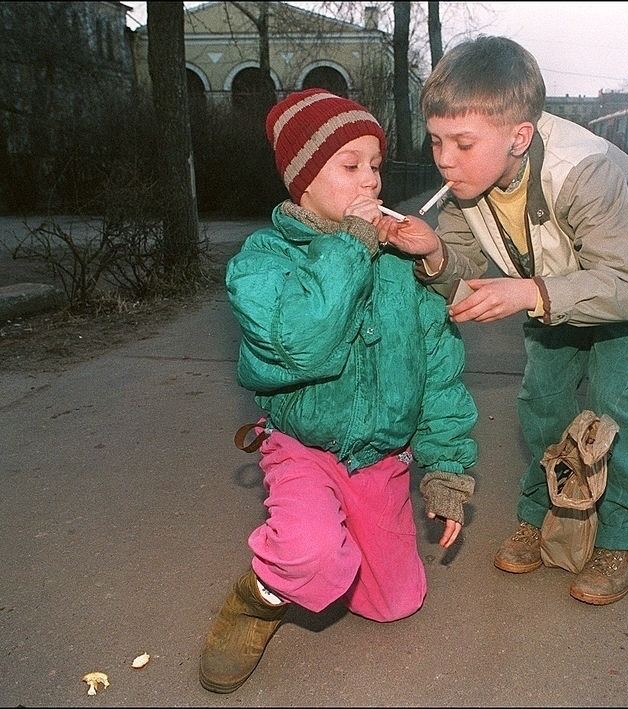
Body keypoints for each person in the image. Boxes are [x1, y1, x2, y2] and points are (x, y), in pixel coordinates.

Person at [378, 36, 628, 607]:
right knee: (543, 396)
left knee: (621, 395)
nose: (444, 159)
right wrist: (435, 255)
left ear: (520, 136)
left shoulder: (582, 172)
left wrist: (527, 291)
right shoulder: (469, 184)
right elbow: (465, 271)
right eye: (436, 140)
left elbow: (622, 290)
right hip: (550, 274)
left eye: (462, 143)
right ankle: (544, 509)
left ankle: (625, 535)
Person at [199, 88, 479, 694]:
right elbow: (304, 341)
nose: (370, 182)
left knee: (396, 602)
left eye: (375, 166)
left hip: (379, 455)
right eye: (350, 167)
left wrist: (447, 471)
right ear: (301, 180)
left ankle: (333, 542)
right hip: (303, 444)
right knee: (313, 558)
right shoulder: (261, 262)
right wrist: (351, 246)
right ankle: (261, 595)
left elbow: (438, 371)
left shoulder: (398, 262)